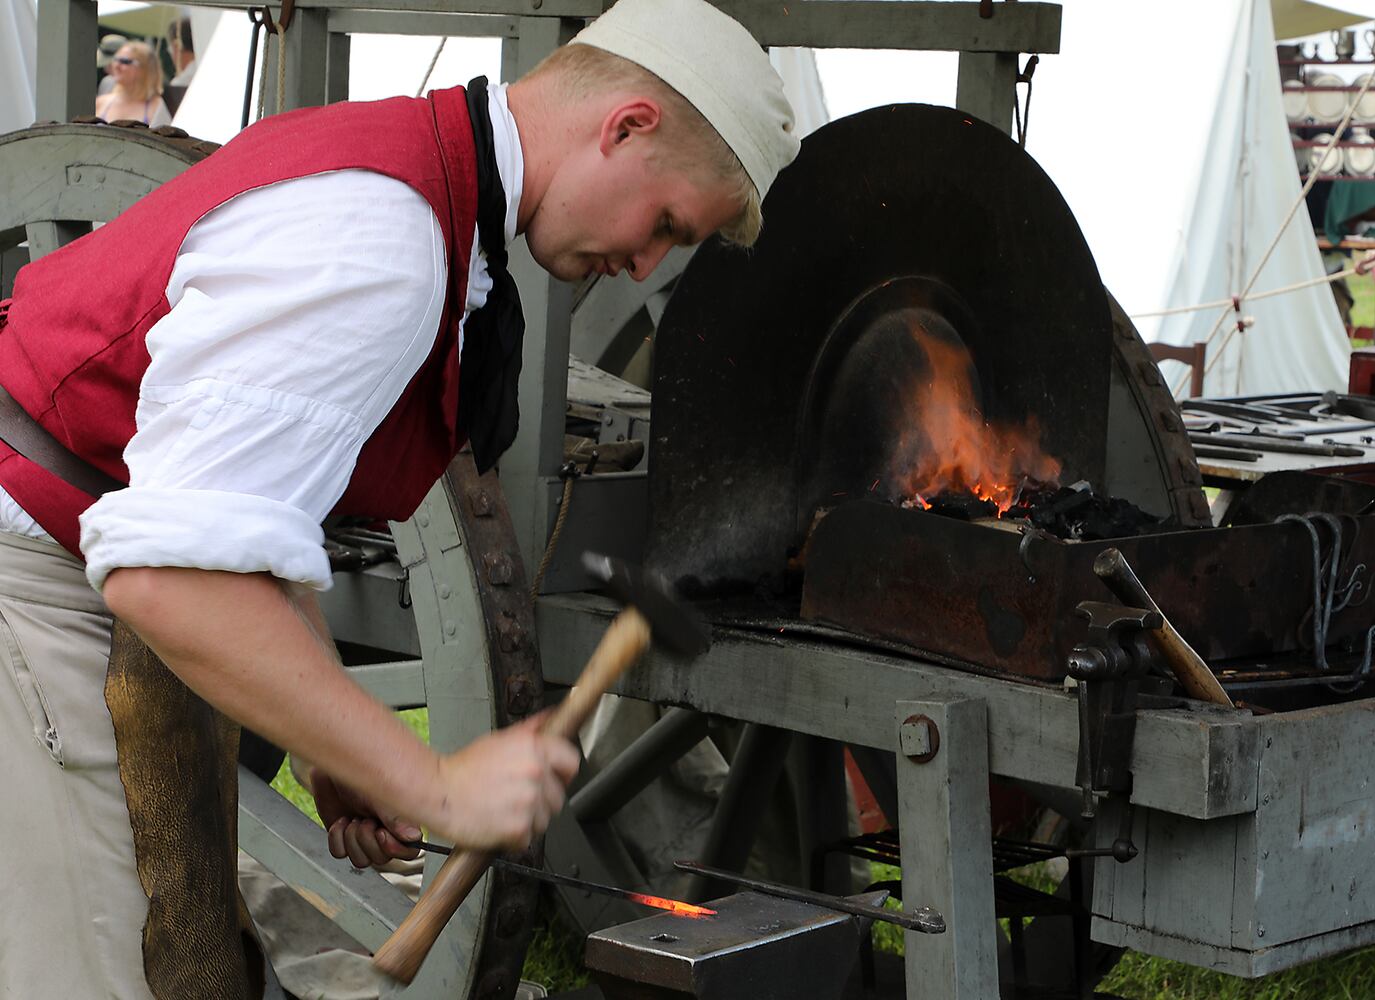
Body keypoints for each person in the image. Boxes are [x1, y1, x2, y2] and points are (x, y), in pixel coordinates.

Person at [0, 0, 798, 995]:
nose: (645, 264)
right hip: (26, 583)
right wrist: (430, 779)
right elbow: (168, 571)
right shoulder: (383, 239)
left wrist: (328, 735)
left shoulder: (413, 188)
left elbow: (249, 510)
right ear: (625, 127)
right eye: (666, 225)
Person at [94, 39, 173, 127]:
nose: (116, 66)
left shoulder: (159, 106)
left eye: (125, 61)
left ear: (145, 68)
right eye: (115, 59)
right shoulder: (101, 102)